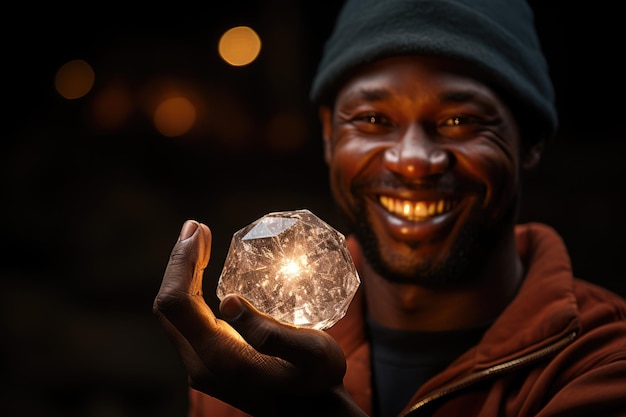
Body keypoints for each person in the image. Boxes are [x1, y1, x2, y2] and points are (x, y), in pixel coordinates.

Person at [153, 0, 626, 416]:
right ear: (328, 133)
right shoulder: (241, 364)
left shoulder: (604, 363)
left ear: (532, 140)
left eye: (460, 120)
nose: (413, 160)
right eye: (374, 119)